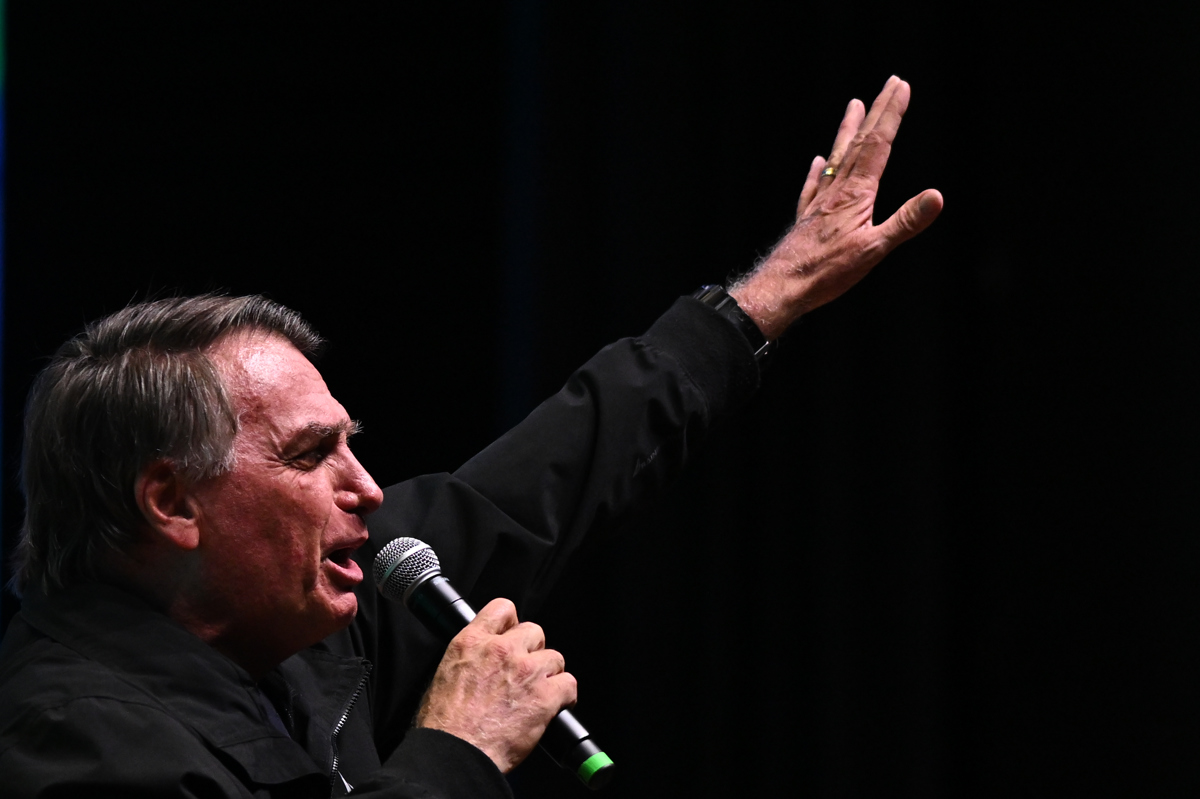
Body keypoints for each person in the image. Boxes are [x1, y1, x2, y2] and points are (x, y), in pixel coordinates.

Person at [0, 76, 941, 797]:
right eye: (308, 454)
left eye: (350, 443)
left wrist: (771, 294)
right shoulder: (74, 735)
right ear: (171, 501)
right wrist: (460, 749)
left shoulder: (300, 619)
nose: (367, 489)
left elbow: (557, 468)